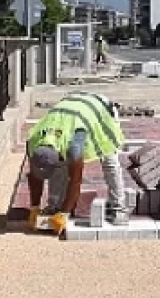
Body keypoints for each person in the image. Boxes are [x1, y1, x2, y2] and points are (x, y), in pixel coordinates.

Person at [26, 91, 129, 231]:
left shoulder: (73, 145)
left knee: (109, 160)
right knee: (60, 167)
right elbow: (34, 177)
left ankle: (119, 207)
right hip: (70, 111)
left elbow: (75, 181)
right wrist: (34, 207)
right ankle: (54, 205)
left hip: (99, 110)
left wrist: (64, 213)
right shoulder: (33, 142)